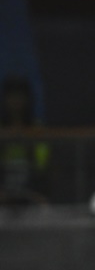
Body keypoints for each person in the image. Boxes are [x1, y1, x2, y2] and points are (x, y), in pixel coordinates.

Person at [0, 75, 52, 208]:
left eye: (20, 96)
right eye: (12, 96)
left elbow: (42, 167)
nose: (16, 101)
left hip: (31, 189)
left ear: (28, 99)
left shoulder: (36, 129)